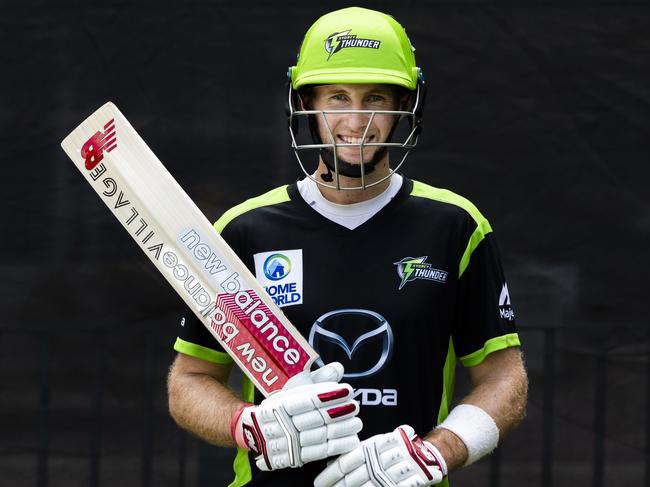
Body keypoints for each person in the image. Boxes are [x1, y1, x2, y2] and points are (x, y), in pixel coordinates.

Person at [167, 6, 528, 487]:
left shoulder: (455, 226)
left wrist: (439, 452)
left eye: (375, 97)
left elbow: (505, 378)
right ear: (308, 105)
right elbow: (189, 380)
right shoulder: (245, 231)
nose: (356, 120)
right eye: (337, 98)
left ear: (406, 106)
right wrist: (246, 425)